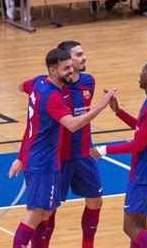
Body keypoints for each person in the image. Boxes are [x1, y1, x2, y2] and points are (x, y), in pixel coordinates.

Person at [8, 48, 114, 248]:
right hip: (42, 162)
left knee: (44, 212)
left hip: (43, 159)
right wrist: (101, 106)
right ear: (52, 70)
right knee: (35, 214)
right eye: (65, 68)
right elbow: (72, 125)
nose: (70, 71)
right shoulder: (52, 96)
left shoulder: (38, 83)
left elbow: (22, 86)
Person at [90, 56, 147, 248]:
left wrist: (104, 150)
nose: (140, 75)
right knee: (139, 224)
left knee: (130, 227)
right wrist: (118, 111)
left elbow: (138, 144)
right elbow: (143, 130)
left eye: (143, 72)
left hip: (146, 171)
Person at [39, 41, 103, 248]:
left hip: (84, 154)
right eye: (79, 55)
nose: (84, 58)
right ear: (66, 60)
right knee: (48, 210)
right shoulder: (53, 87)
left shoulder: (89, 82)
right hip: (59, 158)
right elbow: (27, 85)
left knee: (96, 201)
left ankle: (88, 245)